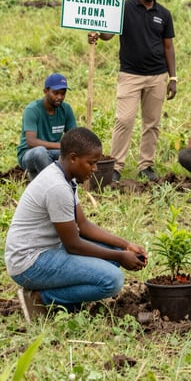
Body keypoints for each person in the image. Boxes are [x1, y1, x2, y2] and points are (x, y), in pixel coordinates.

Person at [5, 128, 148, 321]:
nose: (95, 169)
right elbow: (74, 245)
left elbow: (83, 225)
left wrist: (125, 246)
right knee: (113, 280)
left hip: (48, 250)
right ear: (73, 158)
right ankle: (42, 298)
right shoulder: (57, 187)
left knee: (114, 253)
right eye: (91, 163)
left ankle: (68, 300)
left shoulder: (65, 178)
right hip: (29, 263)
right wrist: (121, 256)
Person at [90, 0, 176, 183]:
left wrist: (173, 78)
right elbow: (108, 34)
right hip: (130, 75)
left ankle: (146, 165)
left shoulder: (164, 14)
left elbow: (168, 47)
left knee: (152, 123)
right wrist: (97, 32)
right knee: (124, 120)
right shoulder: (125, 8)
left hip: (157, 76)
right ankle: (116, 165)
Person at [17, 73, 77, 180]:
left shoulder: (66, 109)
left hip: (53, 152)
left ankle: (41, 177)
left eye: (63, 93)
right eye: (55, 93)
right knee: (40, 152)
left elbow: (73, 137)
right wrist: (61, 145)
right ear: (45, 91)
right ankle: (55, 182)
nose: (60, 97)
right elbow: (31, 142)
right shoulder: (32, 110)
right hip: (30, 154)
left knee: (72, 154)